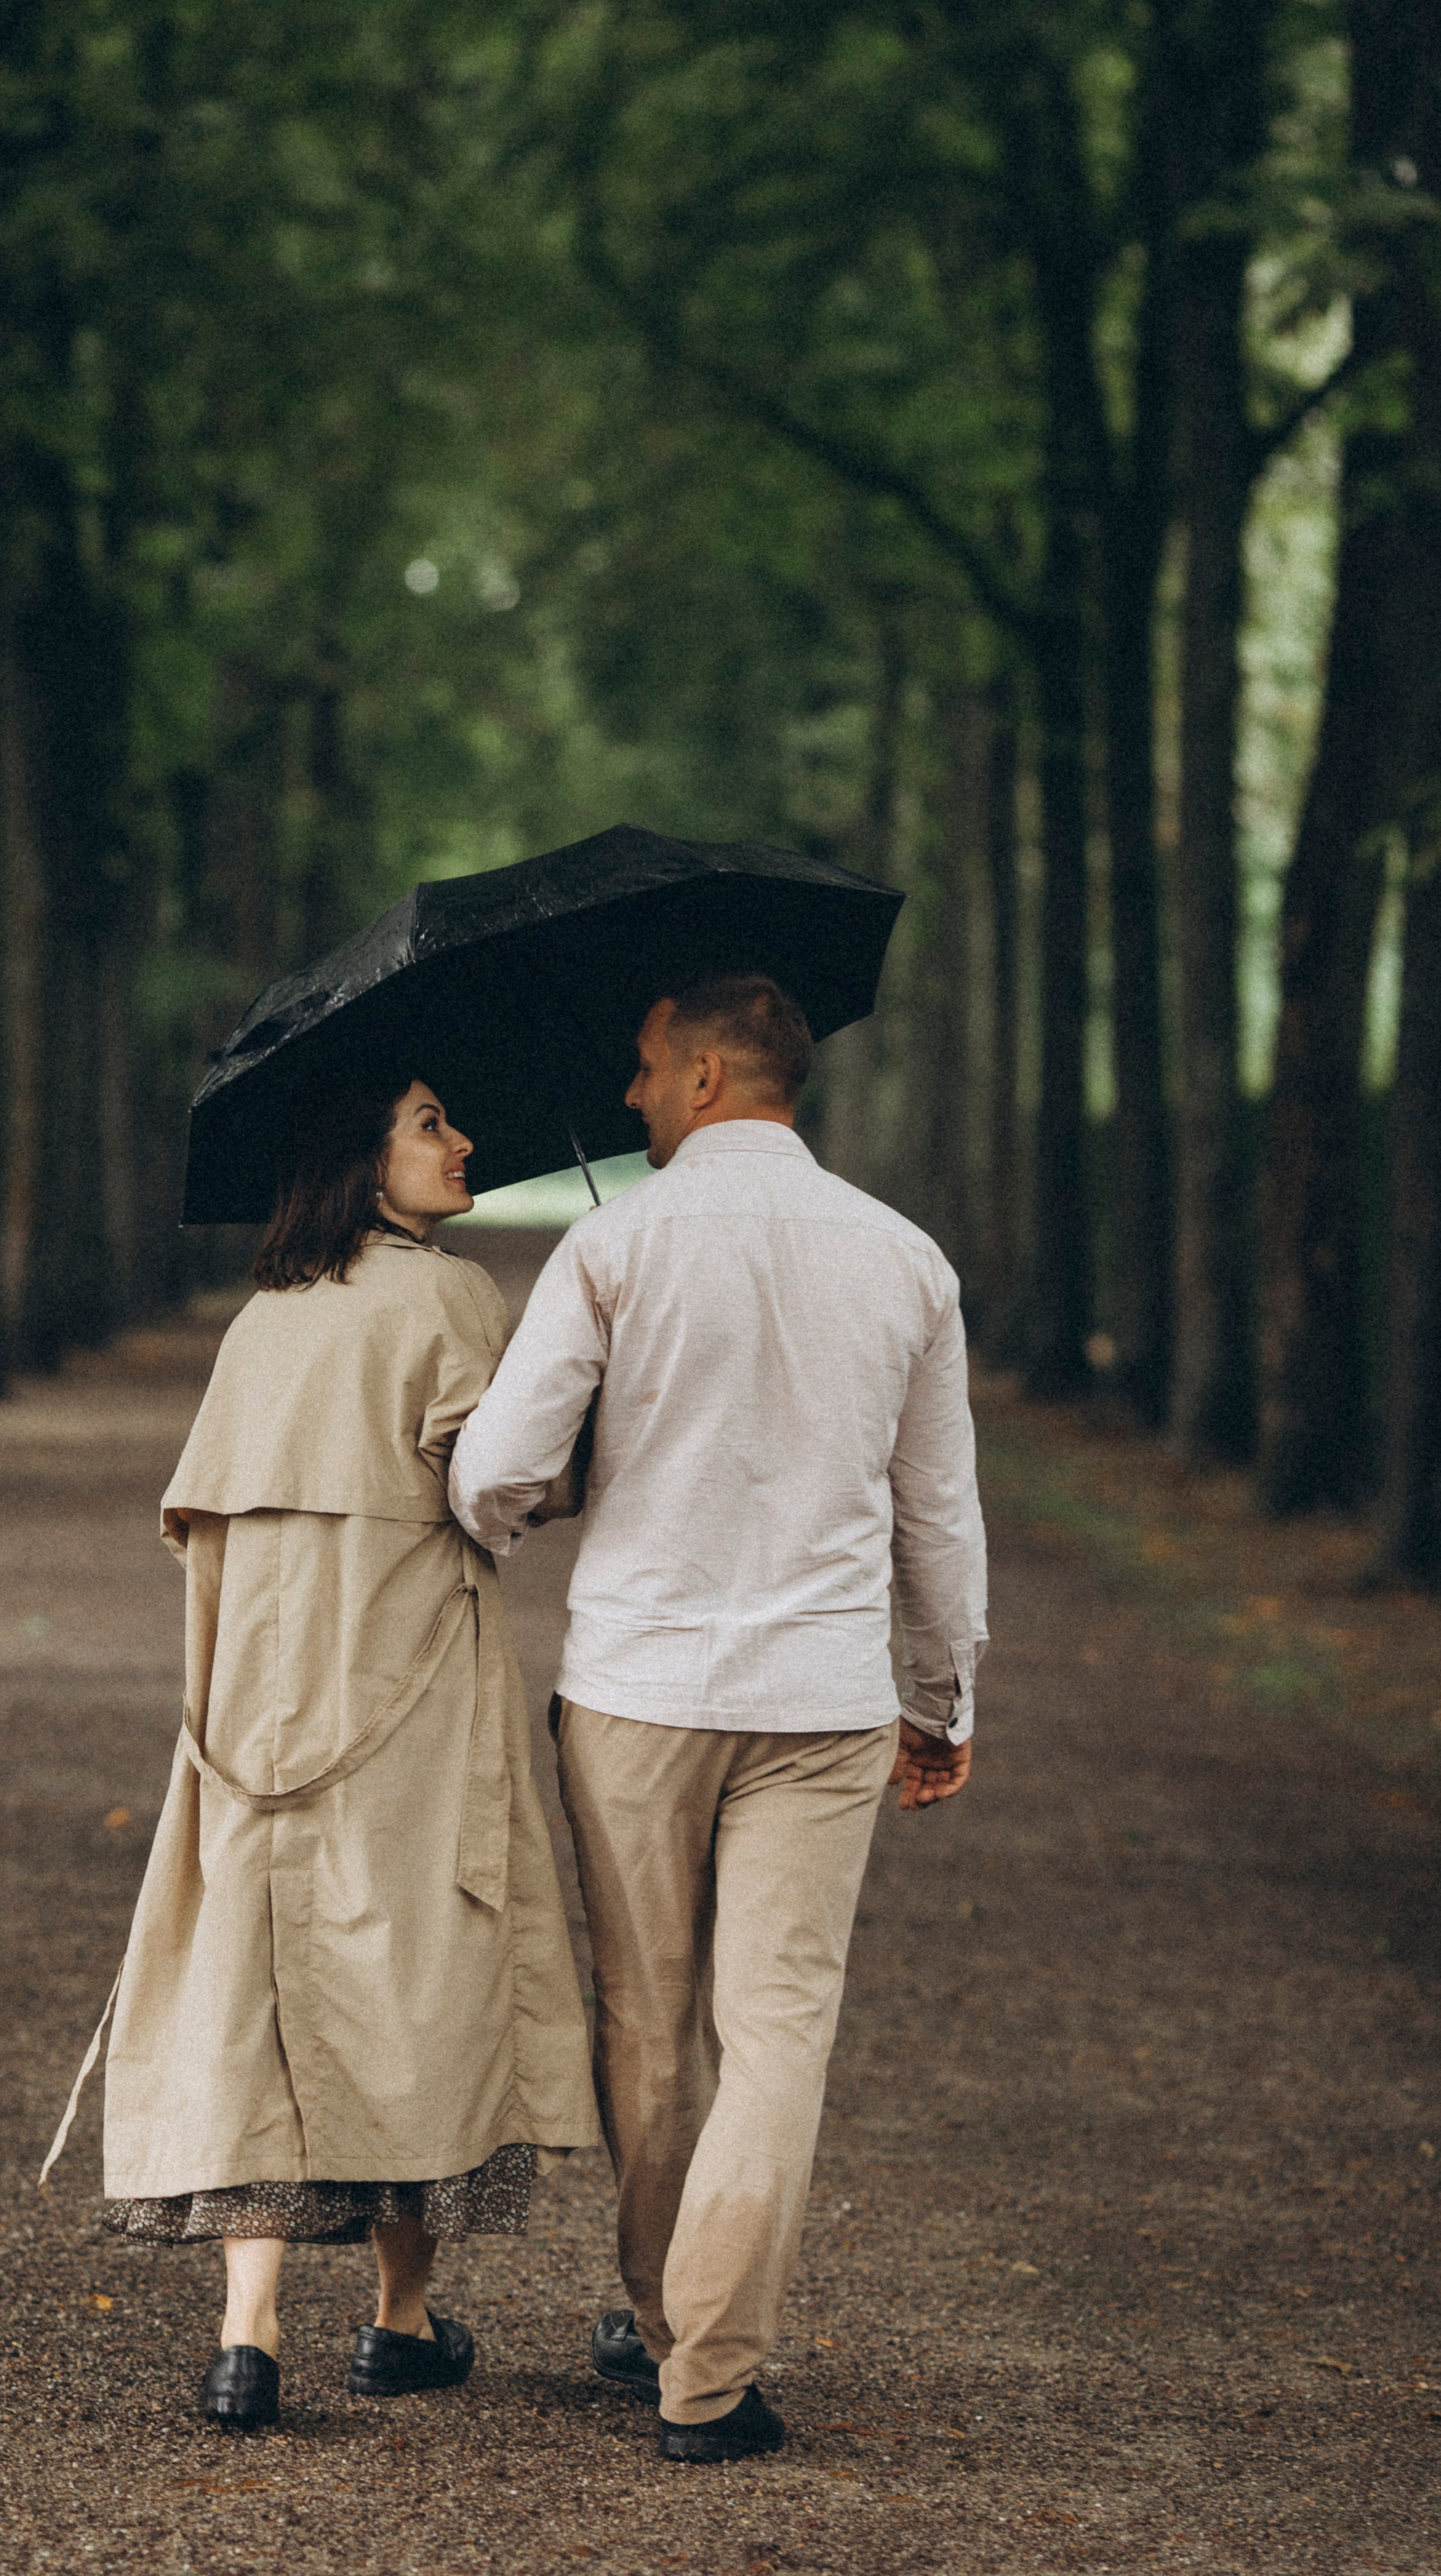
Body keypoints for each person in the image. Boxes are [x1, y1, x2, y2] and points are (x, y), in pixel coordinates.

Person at [449, 974, 985, 2464]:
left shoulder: (613, 1245)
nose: (627, 1095)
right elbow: (937, 1513)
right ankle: (710, 2374)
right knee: (778, 2035)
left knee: (649, 2023)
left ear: (701, 1080)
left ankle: (659, 2316)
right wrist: (938, 1696)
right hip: (822, 1702)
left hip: (638, 1692)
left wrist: (541, 1501)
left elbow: (494, 1471)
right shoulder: (904, 1259)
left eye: (640, 1069)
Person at [43, 1075, 599, 2434]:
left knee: (259, 1980)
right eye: (430, 1125)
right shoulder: (446, 1299)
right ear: (360, 1159)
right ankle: (400, 2321)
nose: (463, 1142)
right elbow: (507, 1488)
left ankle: (249, 2331)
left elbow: (205, 1539)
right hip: (407, 1691)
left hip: (254, 1706)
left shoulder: (263, 1321)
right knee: (418, 1972)